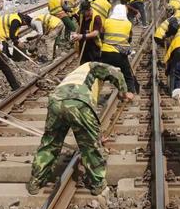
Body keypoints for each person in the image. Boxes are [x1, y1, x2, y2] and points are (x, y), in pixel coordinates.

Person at [27, 62, 133, 196]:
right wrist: (124, 93)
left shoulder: (76, 73)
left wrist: (97, 134)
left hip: (55, 101)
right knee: (89, 146)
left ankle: (36, 181)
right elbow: (116, 73)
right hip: (78, 101)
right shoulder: (94, 66)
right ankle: (97, 184)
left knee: (50, 143)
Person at [99, 5, 138, 93]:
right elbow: (130, 39)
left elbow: (101, 35)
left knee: (101, 75)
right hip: (120, 55)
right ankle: (131, 92)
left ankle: (96, 93)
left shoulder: (107, 21)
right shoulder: (128, 24)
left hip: (105, 53)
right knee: (127, 75)